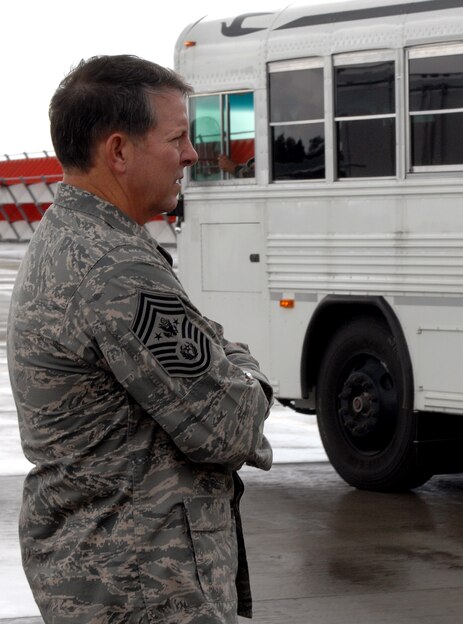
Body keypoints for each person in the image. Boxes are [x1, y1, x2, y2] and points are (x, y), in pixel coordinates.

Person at [7, 54, 273, 623]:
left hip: (106, 578)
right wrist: (250, 376)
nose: (192, 154)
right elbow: (229, 424)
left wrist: (222, 358)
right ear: (119, 151)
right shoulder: (113, 267)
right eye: (176, 137)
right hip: (145, 588)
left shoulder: (75, 241)